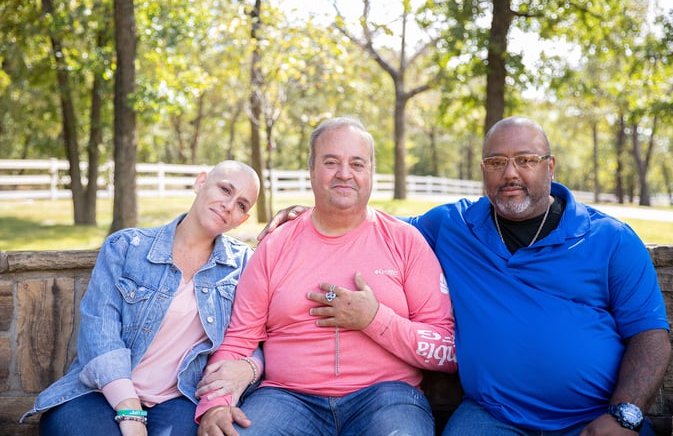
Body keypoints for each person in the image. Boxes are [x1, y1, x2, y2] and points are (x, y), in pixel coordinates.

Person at [259, 116, 671, 436]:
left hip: (591, 417)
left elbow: (651, 335)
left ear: (550, 167)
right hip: (493, 414)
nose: (510, 173)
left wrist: (625, 414)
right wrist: (308, 214)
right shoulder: (453, 226)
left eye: (525, 160)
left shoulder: (610, 239)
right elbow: (369, 227)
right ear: (483, 170)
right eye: (496, 162)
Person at [195, 117, 457, 436]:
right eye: (331, 162)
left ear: (371, 172)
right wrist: (216, 402)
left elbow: (448, 347)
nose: (344, 173)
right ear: (312, 171)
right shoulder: (275, 245)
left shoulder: (405, 242)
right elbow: (240, 338)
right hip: (287, 398)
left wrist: (375, 319)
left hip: (387, 397)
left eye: (356, 163)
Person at [21, 160, 263, 436]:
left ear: (242, 220)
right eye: (224, 189)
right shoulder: (126, 248)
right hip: (100, 392)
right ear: (200, 182)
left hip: (179, 399)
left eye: (242, 205)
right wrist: (129, 410)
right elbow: (99, 332)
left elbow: (253, 335)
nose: (229, 205)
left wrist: (250, 367)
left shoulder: (243, 264)